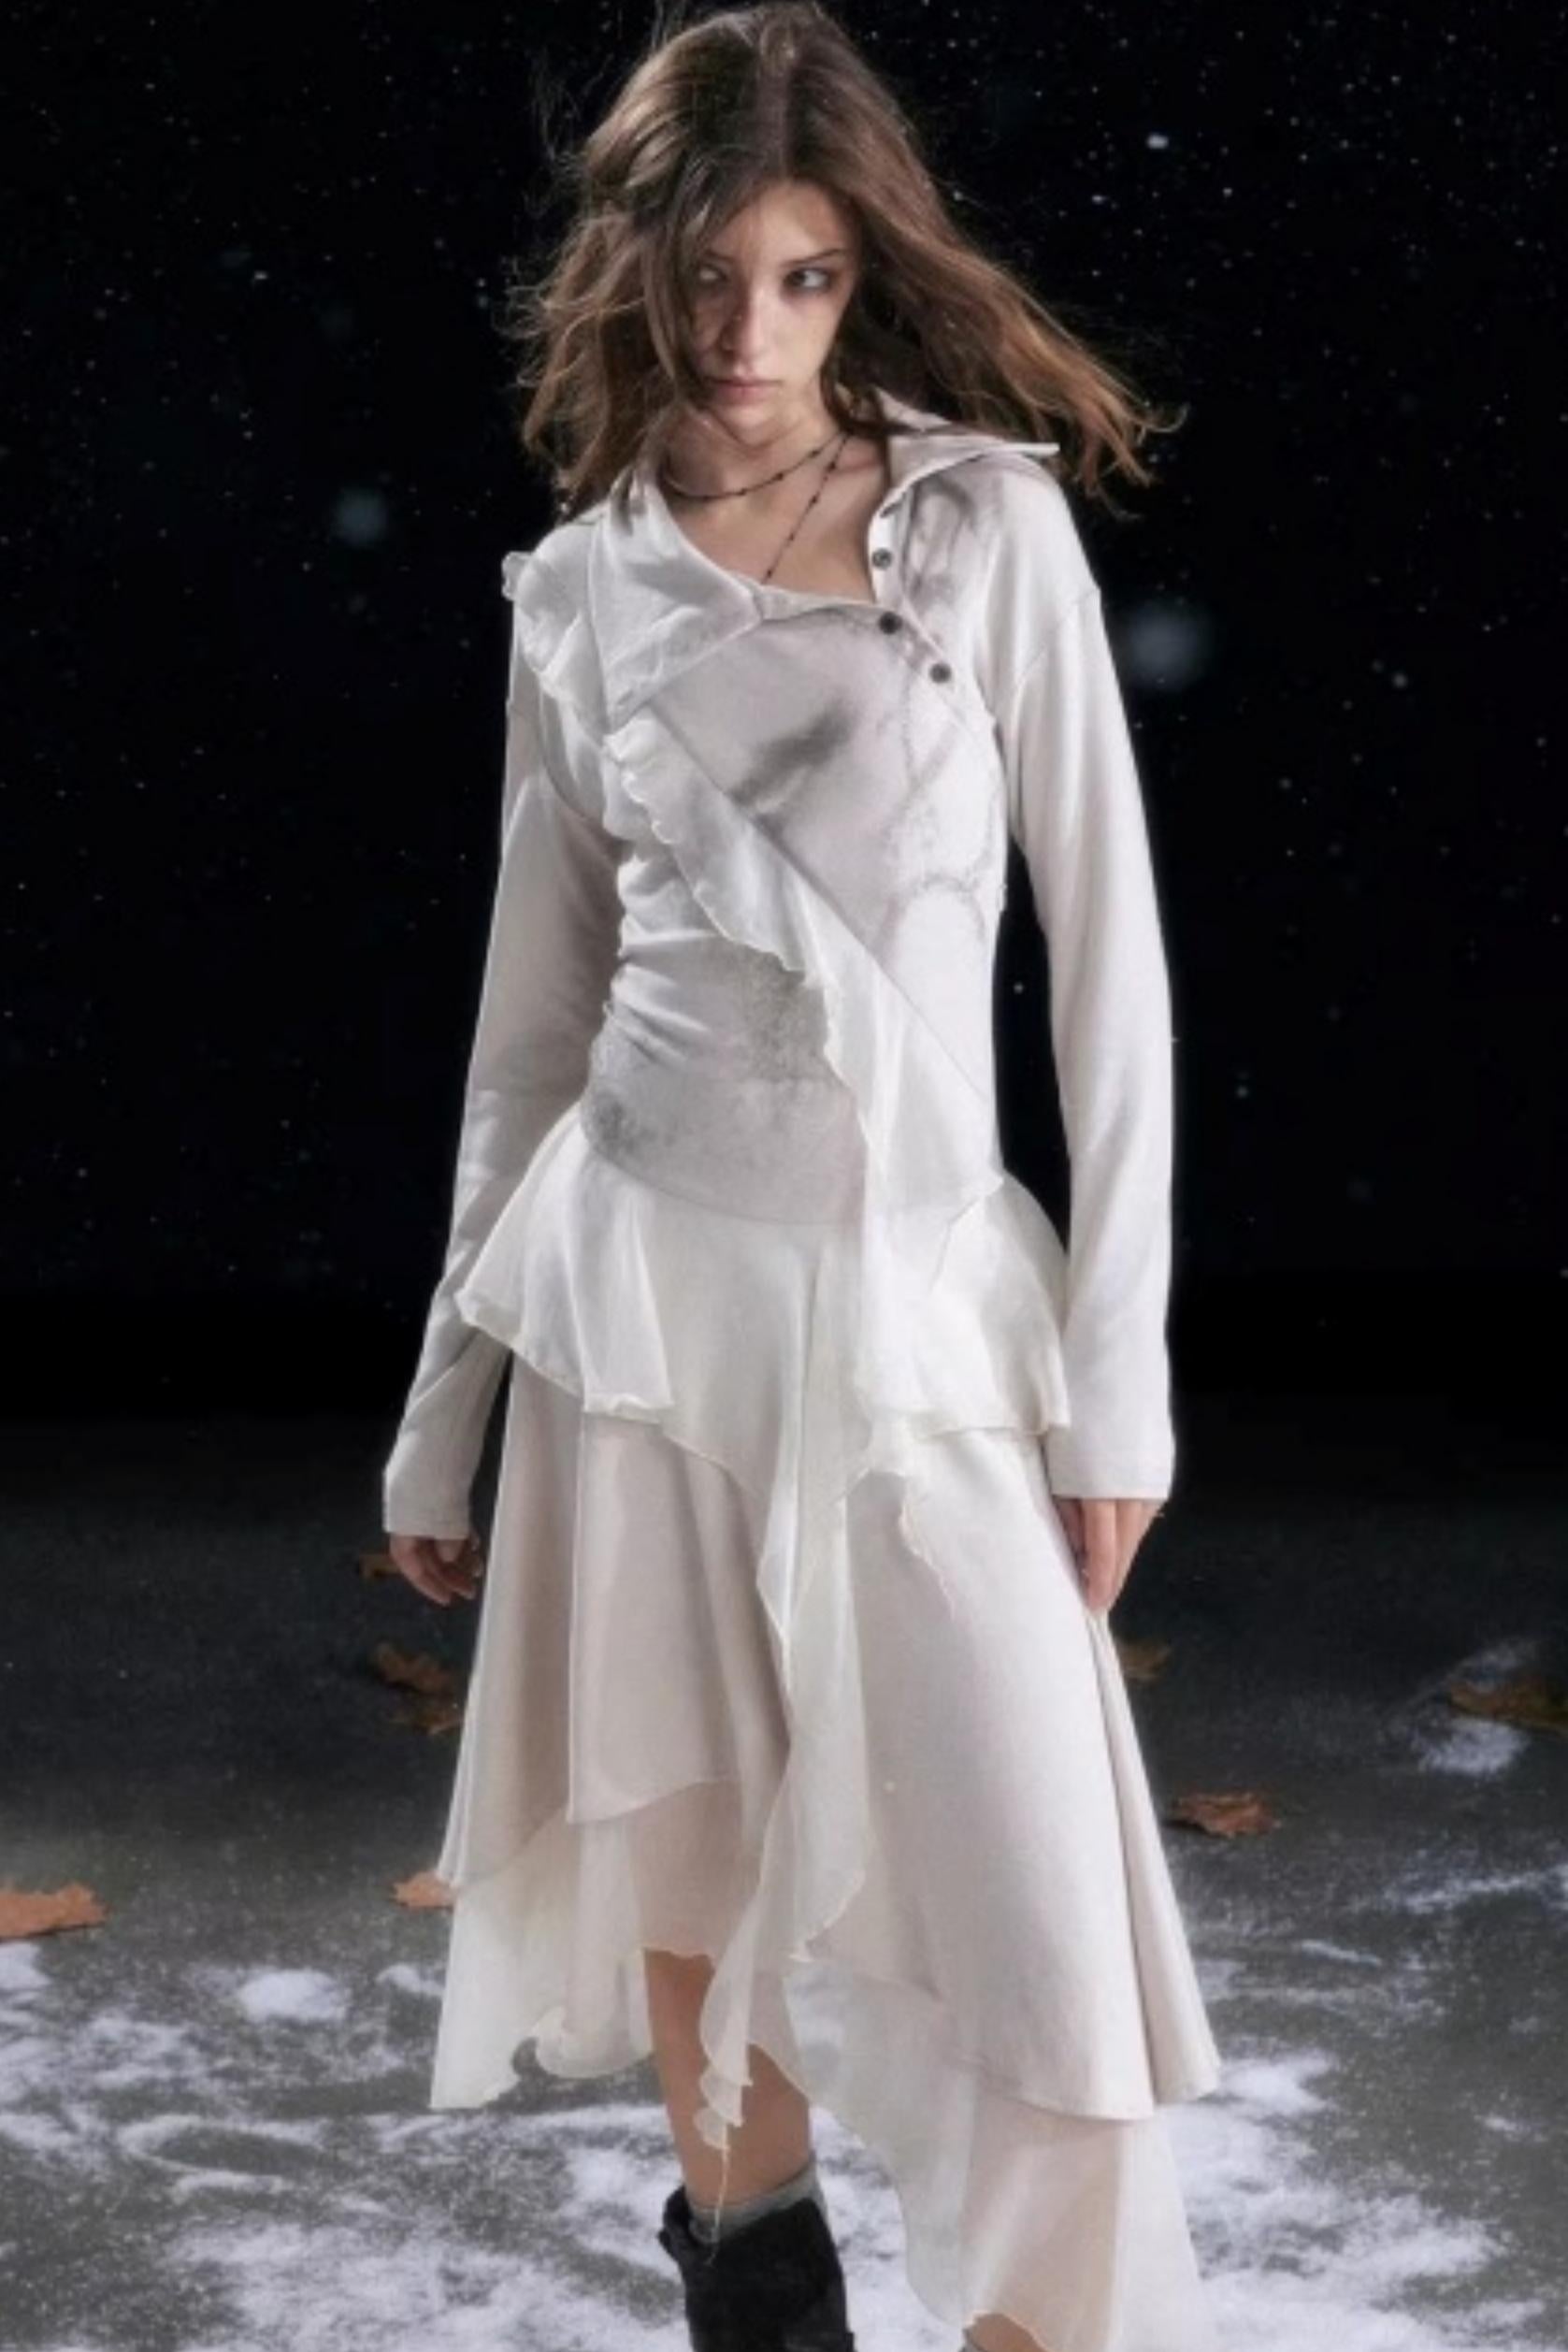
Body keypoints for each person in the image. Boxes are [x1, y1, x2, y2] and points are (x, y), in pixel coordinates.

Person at [381, 6, 1225, 2347]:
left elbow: (1113, 980)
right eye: (705, 278)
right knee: (690, 1863)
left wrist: (1117, 1387)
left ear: (863, 274)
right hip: (640, 1311)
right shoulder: (579, 593)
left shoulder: (981, 527)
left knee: (1038, 1916)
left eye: (804, 279)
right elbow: (529, 1026)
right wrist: (442, 1411)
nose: (747, 337)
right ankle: (763, 2311)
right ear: (631, 270)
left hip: (917, 1312)